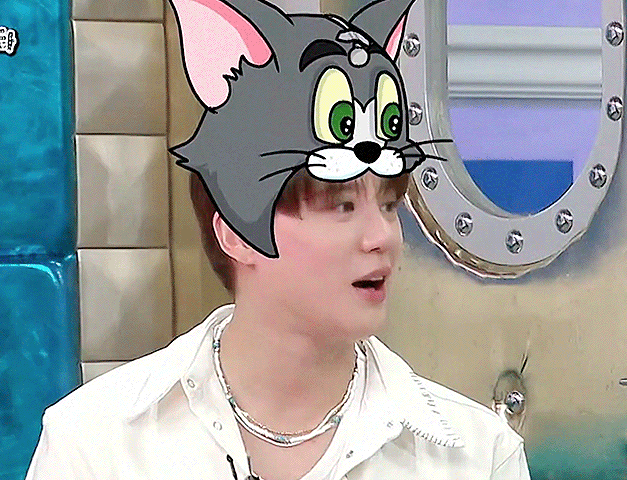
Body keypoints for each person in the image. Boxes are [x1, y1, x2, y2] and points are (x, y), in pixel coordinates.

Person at [26, 0, 530, 477]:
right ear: (236, 232)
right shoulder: (96, 444)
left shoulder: (477, 457)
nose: (382, 238)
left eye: (388, 204)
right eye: (342, 206)